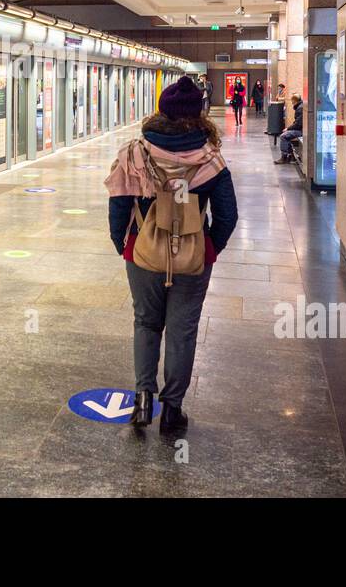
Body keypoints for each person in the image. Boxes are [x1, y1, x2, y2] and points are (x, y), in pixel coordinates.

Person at [105, 77, 238, 433]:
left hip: (143, 253)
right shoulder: (210, 159)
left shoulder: (137, 152)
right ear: (199, 114)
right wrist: (210, 248)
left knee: (146, 322)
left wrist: (124, 244)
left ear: (161, 110)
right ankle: (173, 408)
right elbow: (227, 215)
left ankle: (143, 399)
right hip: (193, 258)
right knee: (182, 332)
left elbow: (119, 205)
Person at [275, 95, 305, 165]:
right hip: (301, 129)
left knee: (283, 136)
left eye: (292, 101)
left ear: (294, 101)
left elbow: (298, 124)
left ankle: (284, 157)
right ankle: (290, 156)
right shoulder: (300, 107)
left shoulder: (300, 109)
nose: (291, 103)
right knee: (286, 135)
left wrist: (288, 128)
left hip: (301, 130)